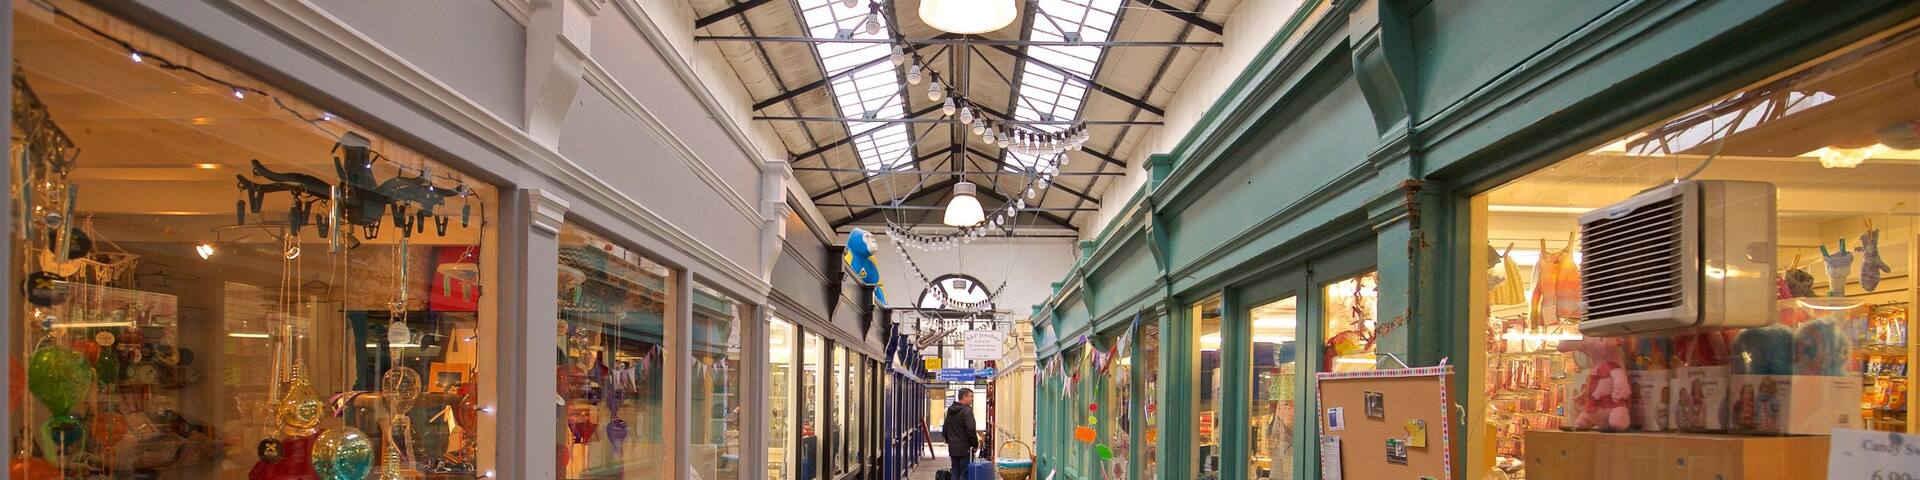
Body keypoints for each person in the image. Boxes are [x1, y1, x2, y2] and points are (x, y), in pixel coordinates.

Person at [943, 388, 979, 480]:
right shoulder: (967, 411)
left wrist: (949, 441)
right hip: (964, 447)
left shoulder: (950, 411)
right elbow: (971, 429)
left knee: (955, 471)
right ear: (964, 397)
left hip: (953, 447)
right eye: (971, 396)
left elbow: (945, 429)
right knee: (964, 472)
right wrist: (975, 444)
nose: (972, 399)